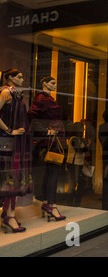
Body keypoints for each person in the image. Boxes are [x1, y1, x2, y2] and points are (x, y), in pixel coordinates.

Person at [28, 76, 66, 221]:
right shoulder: (42, 98)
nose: (55, 85)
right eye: (52, 83)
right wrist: (46, 131)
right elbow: (31, 115)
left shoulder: (48, 98)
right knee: (52, 172)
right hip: (50, 141)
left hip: (55, 140)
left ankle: (47, 202)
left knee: (51, 172)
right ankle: (51, 204)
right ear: (44, 84)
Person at [0, 69, 32, 233]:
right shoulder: (6, 92)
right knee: (11, 176)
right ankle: (9, 216)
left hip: (16, 142)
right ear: (9, 78)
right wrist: (9, 130)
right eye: (19, 77)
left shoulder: (16, 94)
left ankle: (8, 213)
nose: (22, 78)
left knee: (13, 177)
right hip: (9, 142)